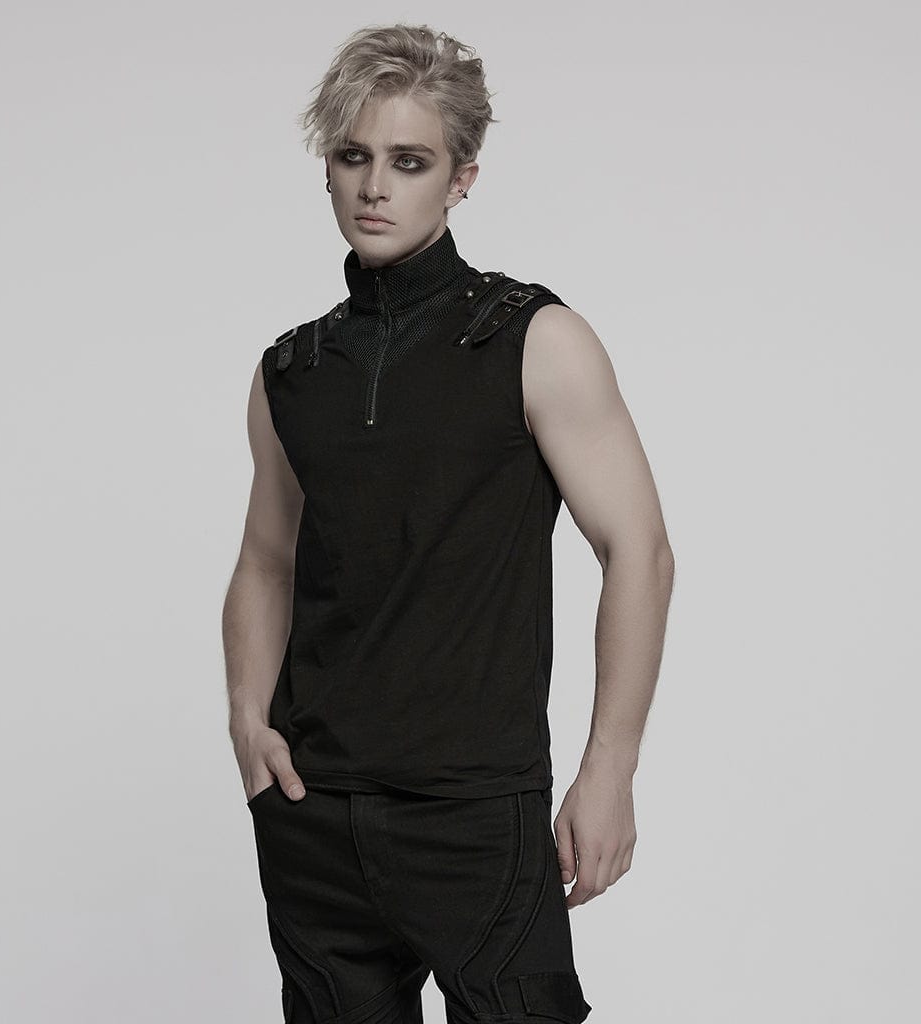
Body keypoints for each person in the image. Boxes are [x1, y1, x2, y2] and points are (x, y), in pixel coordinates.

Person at [222, 23, 674, 1024]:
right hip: (314, 813)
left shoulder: (532, 339)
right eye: (353, 156)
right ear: (327, 167)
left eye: (409, 161)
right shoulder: (291, 370)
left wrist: (610, 768)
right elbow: (264, 561)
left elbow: (638, 551)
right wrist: (249, 723)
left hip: (476, 811)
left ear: (461, 177)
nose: (374, 187)